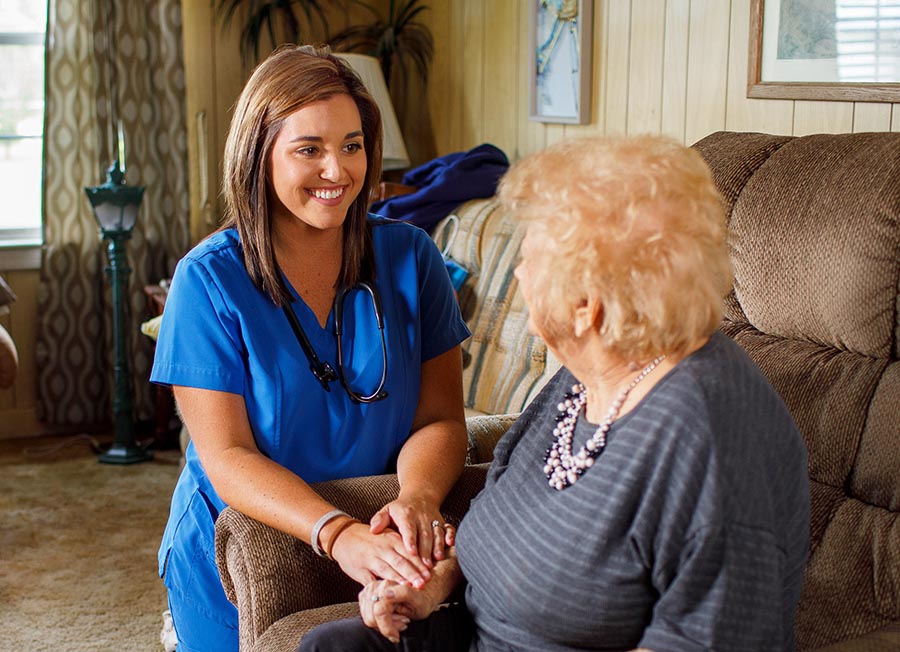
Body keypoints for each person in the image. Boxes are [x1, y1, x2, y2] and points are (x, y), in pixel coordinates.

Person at [298, 135, 811, 652]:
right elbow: (507, 514)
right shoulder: (596, 368)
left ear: (587, 304)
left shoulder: (711, 437)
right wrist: (433, 587)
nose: (518, 272)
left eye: (531, 258)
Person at [150, 45, 470, 652]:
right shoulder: (208, 280)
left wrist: (418, 498)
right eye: (309, 150)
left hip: (380, 529)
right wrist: (338, 533)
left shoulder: (411, 258)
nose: (338, 170)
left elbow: (440, 418)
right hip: (245, 543)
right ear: (259, 154)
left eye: (352, 145)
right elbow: (226, 455)